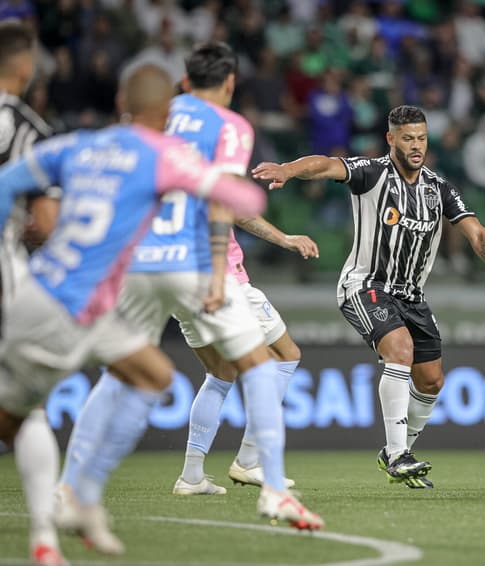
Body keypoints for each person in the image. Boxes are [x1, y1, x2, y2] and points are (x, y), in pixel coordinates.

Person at [0, 64, 266, 559]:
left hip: (61, 295)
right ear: (167, 111)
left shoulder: (77, 144)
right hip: (67, 306)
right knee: (15, 418)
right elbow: (241, 195)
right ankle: (64, 511)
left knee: (152, 374)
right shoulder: (163, 154)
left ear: (122, 99)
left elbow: (7, 182)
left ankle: (78, 500)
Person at [56, 44, 323, 529]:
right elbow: (228, 203)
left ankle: (86, 485)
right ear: (230, 83)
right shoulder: (229, 127)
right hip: (201, 264)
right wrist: (241, 260)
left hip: (137, 262)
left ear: (182, 83)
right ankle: (266, 479)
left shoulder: (154, 116)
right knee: (278, 359)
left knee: (192, 373)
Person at [253, 105, 485, 489]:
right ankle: (398, 453)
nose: (416, 146)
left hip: (413, 297)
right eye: (408, 139)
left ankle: (399, 453)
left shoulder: (439, 189)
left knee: (432, 381)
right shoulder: (372, 174)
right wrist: (288, 169)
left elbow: (477, 233)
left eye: (421, 138)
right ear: (391, 139)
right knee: (399, 349)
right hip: (365, 286)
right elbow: (326, 165)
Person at [0, 20, 64, 566]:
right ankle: (44, 536)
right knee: (30, 404)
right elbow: (45, 221)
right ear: (24, 67)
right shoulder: (30, 128)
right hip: (6, 273)